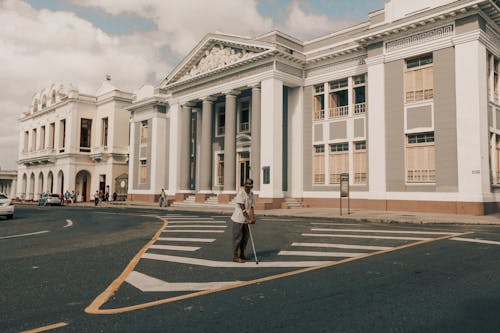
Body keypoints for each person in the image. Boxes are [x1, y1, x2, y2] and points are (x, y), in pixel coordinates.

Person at [230, 178, 256, 263]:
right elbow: (243, 208)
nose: (248, 187)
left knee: (245, 238)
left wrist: (252, 218)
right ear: (244, 185)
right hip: (238, 219)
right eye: (246, 186)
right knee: (238, 238)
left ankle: (242, 254)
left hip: (246, 220)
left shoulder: (251, 194)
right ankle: (235, 256)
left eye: (249, 186)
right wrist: (248, 219)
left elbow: (251, 207)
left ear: (251, 186)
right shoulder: (241, 193)